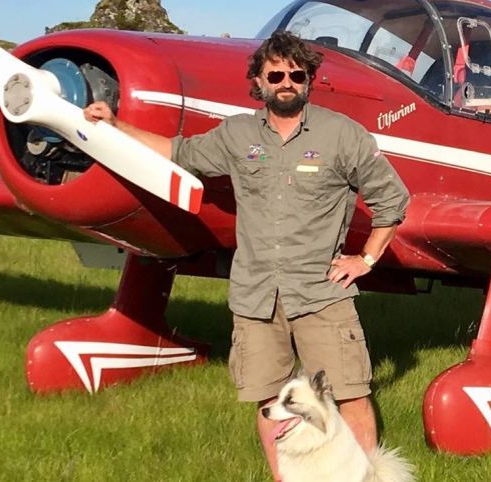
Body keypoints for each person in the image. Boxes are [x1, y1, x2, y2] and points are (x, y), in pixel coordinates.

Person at [83, 30, 409, 480]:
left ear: (309, 80)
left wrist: (366, 260)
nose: (287, 82)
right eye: (276, 75)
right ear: (258, 81)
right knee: (270, 399)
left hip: (321, 292)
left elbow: (392, 198)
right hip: (255, 295)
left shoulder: (342, 134)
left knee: (349, 393)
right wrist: (116, 126)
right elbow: (180, 153)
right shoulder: (237, 134)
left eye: (297, 74)